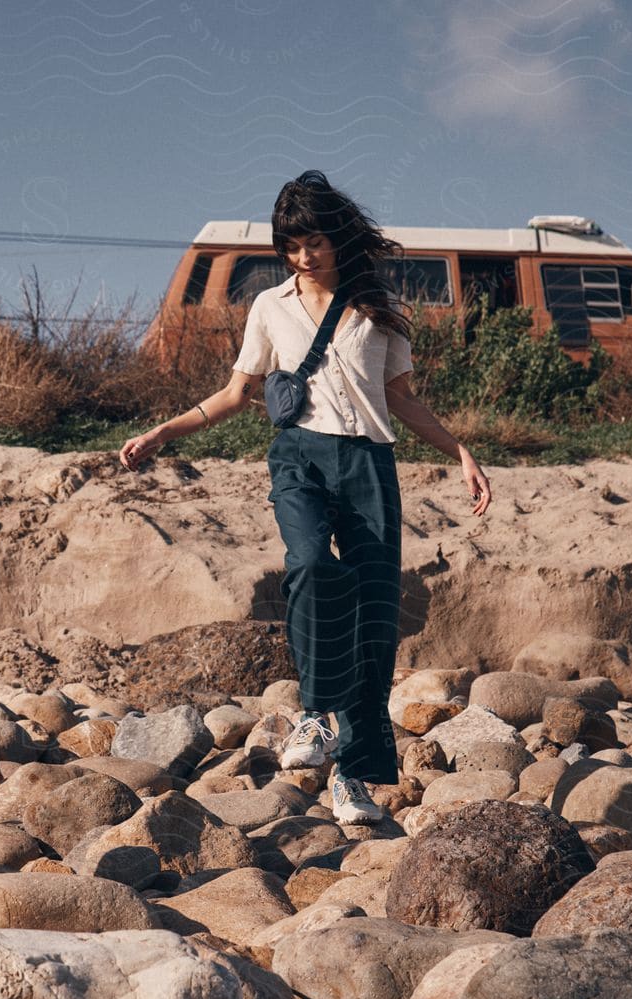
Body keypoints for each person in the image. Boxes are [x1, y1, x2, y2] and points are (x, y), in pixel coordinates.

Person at [119, 170, 492, 826]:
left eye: (313, 240)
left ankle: (353, 778)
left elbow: (402, 401)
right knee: (313, 564)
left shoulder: (379, 313)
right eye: (291, 244)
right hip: (300, 462)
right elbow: (236, 393)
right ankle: (316, 716)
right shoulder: (270, 307)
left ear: (339, 237)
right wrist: (163, 432)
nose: (302, 255)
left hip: (370, 465)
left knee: (376, 621)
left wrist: (460, 452)